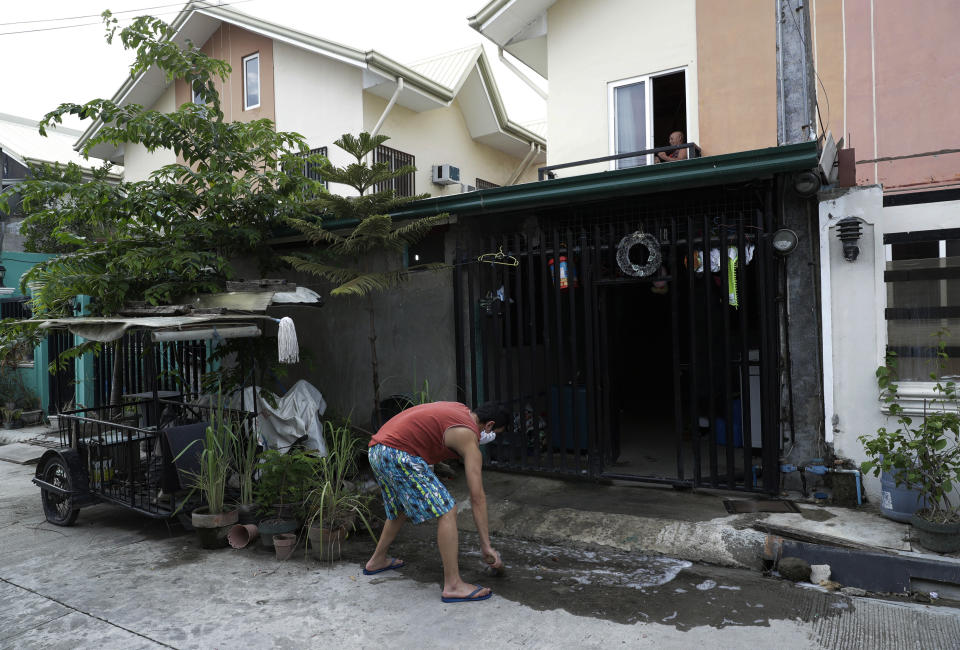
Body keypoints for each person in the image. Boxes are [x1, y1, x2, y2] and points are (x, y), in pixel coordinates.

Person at [363, 400, 509, 603]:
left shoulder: (460, 410)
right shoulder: (469, 437)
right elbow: (477, 497)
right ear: (489, 425)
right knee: (447, 509)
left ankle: (377, 560)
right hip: (398, 453)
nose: (491, 437)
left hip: (378, 450)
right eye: (495, 433)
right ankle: (454, 585)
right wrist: (486, 546)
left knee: (401, 506)